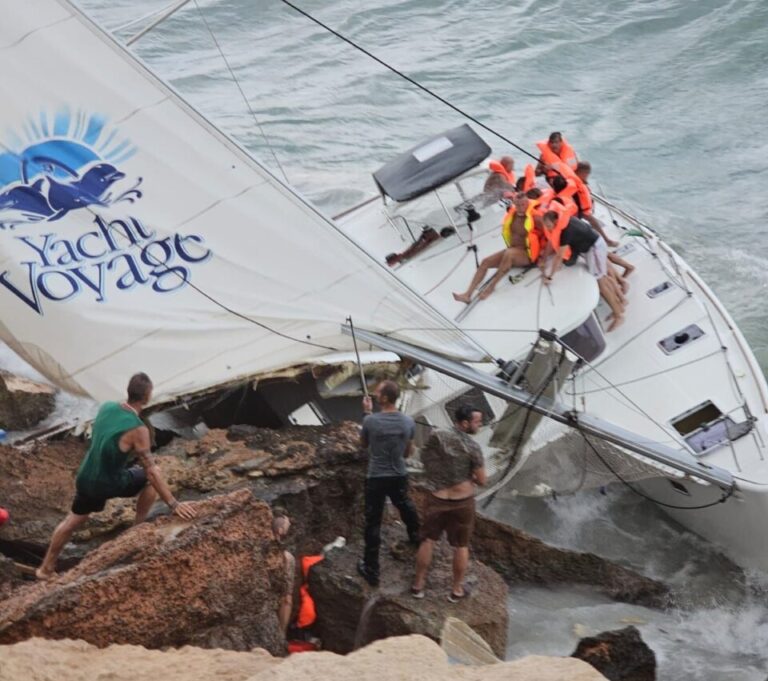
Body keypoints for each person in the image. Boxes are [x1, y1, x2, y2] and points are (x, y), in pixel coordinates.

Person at [35, 372, 196, 580]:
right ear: (147, 397)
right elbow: (151, 472)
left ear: (128, 391)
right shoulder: (139, 430)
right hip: (107, 482)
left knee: (72, 520)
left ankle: (45, 569)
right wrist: (174, 504)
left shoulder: (107, 407)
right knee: (148, 479)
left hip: (85, 476)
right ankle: (137, 530)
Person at [411, 404, 486, 602]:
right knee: (461, 545)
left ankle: (418, 586)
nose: (480, 424)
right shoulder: (473, 447)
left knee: (428, 540)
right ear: (464, 423)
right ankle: (456, 590)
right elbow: (482, 480)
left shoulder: (437, 435)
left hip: (437, 497)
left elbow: (425, 459)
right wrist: (468, 475)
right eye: (477, 421)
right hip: (462, 501)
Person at [357, 380, 421, 587]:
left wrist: (366, 413)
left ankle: (371, 570)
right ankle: (415, 535)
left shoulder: (371, 421)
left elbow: (364, 445)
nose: (375, 395)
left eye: (378, 393)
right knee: (404, 503)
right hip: (399, 473)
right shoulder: (408, 422)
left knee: (373, 521)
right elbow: (408, 451)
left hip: (376, 477)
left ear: (384, 398)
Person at [540, 211, 626, 331]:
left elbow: (559, 255)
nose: (548, 228)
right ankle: (619, 305)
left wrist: (550, 276)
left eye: (548, 225)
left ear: (555, 221)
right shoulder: (566, 221)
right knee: (602, 278)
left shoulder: (566, 231)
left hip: (595, 248)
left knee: (601, 283)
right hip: (591, 249)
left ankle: (619, 315)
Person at [453, 193, 541, 303]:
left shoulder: (535, 217)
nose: (521, 207)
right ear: (514, 204)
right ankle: (467, 294)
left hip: (526, 255)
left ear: (527, 203)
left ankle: (491, 287)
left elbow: (548, 235)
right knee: (485, 262)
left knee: (509, 254)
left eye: (523, 204)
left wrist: (542, 258)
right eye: (518, 205)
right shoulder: (512, 215)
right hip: (513, 250)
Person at [272, 508, 295, 635]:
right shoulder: (286, 558)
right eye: (287, 525)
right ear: (280, 531)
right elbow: (287, 599)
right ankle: (281, 634)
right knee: (286, 599)